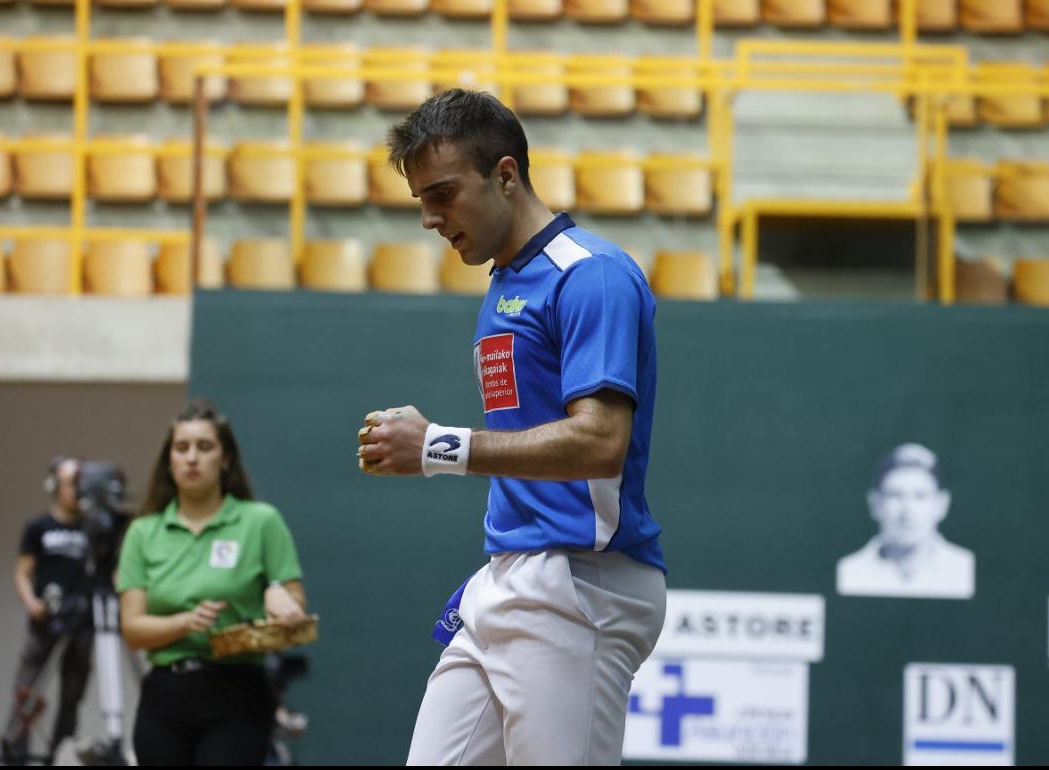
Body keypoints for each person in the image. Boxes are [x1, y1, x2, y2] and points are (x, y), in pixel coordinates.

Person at [358, 89, 667, 766]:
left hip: (581, 586)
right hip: (507, 578)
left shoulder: (592, 277)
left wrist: (437, 446)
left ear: (505, 174)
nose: (430, 219)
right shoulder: (505, 282)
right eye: (421, 202)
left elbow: (600, 441)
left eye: (442, 194)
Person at [116, 398, 309, 766]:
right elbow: (132, 628)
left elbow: (295, 613)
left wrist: (283, 600)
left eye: (204, 447)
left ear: (225, 459)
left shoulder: (260, 521)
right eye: (181, 447)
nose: (192, 458)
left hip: (237, 693)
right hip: (164, 697)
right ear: (169, 460)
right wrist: (185, 622)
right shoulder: (143, 531)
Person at [0, 456, 95, 766]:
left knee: (72, 696)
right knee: (26, 693)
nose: (77, 491)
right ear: (55, 486)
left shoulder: (94, 530)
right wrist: (32, 603)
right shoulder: (39, 527)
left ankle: (60, 756)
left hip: (83, 623)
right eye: (71, 484)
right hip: (44, 622)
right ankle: (16, 756)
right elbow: (22, 572)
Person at [836, 443, 975, 599]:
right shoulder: (849, 572)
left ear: (941, 504)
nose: (907, 510)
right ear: (875, 503)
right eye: (895, 495)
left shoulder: (965, 568)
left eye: (920, 496)